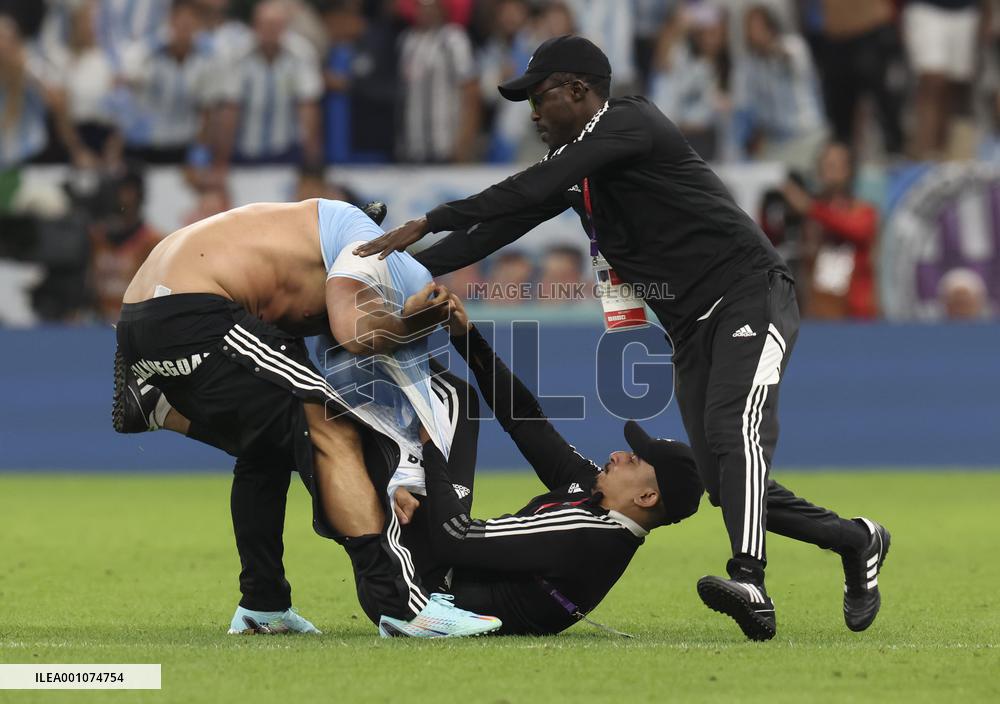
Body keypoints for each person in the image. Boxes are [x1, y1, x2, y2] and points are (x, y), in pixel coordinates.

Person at [357, 34, 891, 641]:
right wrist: (403, 269)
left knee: (730, 427)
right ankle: (856, 539)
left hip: (752, 293)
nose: (531, 111)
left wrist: (430, 217)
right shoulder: (577, 173)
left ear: (579, 91)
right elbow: (492, 232)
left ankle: (749, 575)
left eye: (539, 95)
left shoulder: (631, 121)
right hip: (691, 329)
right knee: (723, 485)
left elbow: (526, 189)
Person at [113, 197, 502, 638]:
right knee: (328, 424)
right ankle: (402, 607)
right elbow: (354, 333)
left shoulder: (301, 240)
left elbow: (337, 345)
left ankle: (263, 607)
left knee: (266, 447)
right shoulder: (365, 242)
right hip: (193, 311)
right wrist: (412, 322)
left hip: (146, 318)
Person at [384, 295, 704, 635]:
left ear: (646, 498)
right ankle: (372, 343)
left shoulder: (586, 535)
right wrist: (467, 336)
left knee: (420, 426)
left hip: (422, 594)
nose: (617, 455)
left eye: (633, 460)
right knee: (457, 400)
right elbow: (525, 421)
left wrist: (431, 447)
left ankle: (365, 337)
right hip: (441, 569)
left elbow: (455, 538)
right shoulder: (596, 493)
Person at [782, 142, 879, 320]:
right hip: (820, 313)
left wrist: (811, 208)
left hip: (857, 315)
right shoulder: (810, 217)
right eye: (825, 165)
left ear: (848, 170)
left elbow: (858, 230)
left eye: (834, 165)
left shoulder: (863, 211)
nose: (828, 171)